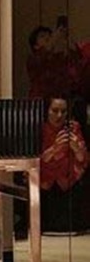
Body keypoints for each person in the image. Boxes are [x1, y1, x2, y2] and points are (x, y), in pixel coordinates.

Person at [40, 97, 89, 233]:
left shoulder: (73, 128)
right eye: (55, 111)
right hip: (45, 182)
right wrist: (54, 148)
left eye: (63, 111)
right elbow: (37, 161)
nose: (59, 115)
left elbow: (83, 160)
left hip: (68, 181)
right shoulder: (40, 129)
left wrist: (76, 148)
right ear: (47, 111)